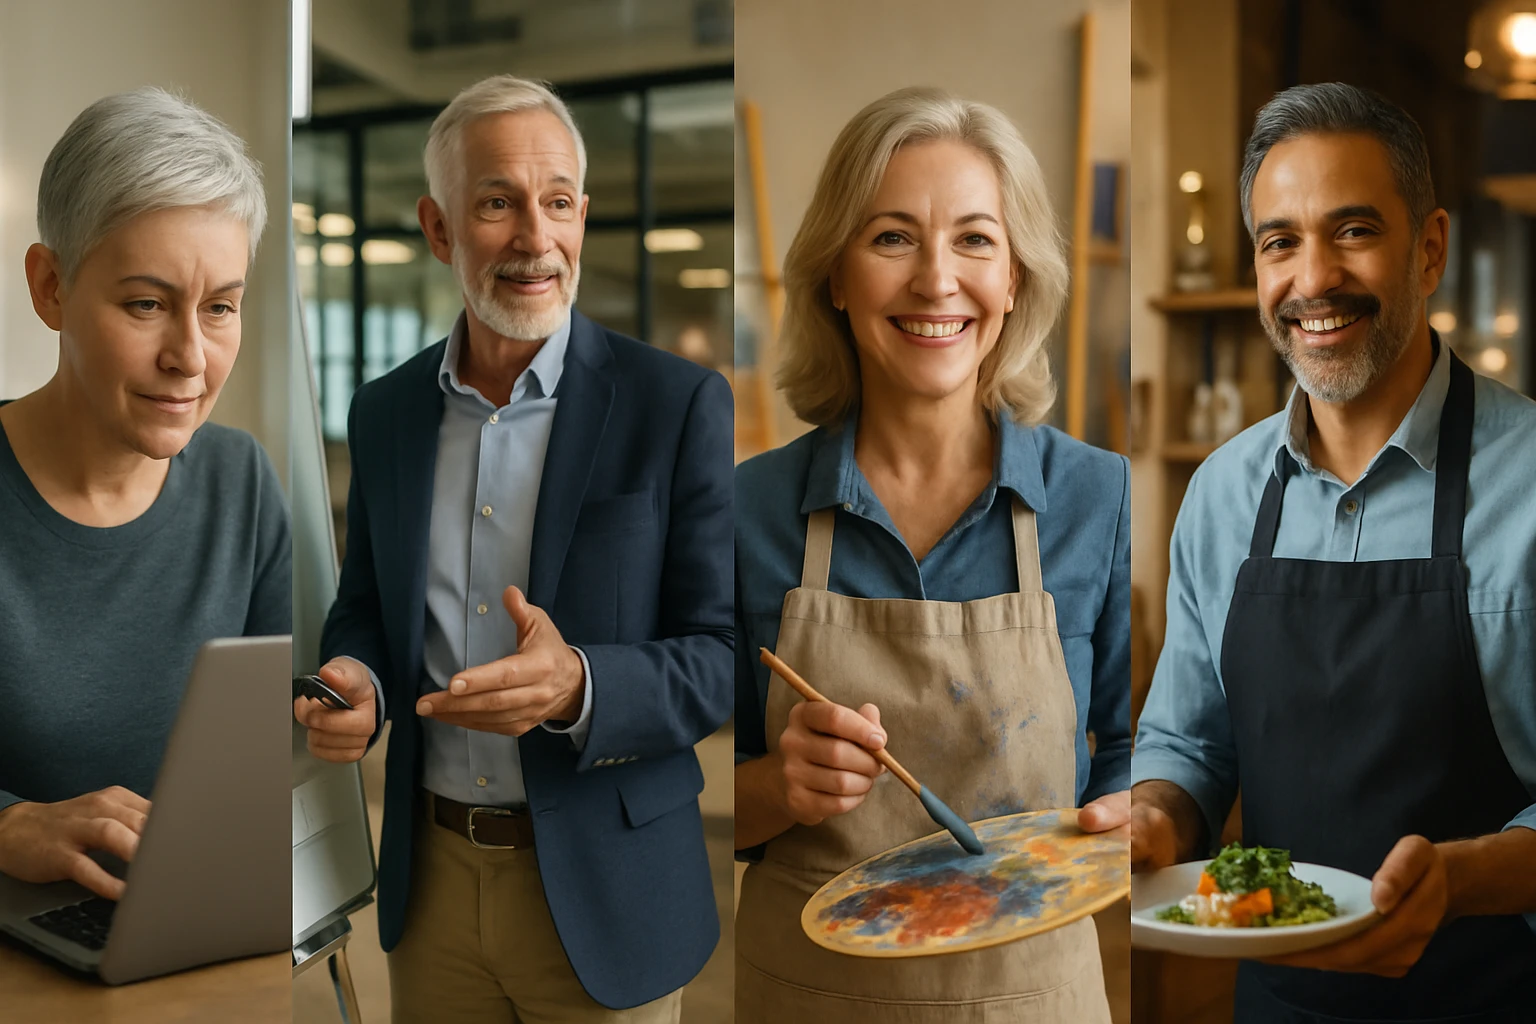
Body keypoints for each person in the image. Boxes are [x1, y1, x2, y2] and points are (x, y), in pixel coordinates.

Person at [295, 76, 734, 1023]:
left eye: (559, 201)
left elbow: (723, 655)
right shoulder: (385, 412)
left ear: (584, 214)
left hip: (608, 894)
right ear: (440, 229)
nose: (537, 237)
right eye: (498, 203)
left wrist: (582, 685)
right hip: (434, 887)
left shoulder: (677, 404)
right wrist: (357, 682)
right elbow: (368, 605)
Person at [1132, 82, 1536, 1023]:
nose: (1312, 279)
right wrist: (1155, 815)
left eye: (1353, 230)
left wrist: (1463, 877)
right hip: (1275, 1005)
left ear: (1429, 248)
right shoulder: (1222, 496)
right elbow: (1189, 742)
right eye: (1280, 241)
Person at [733, 87, 1132, 1022]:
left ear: (1017, 279)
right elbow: (675, 803)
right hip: (810, 998)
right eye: (892, 238)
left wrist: (1132, 816)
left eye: (975, 240)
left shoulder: (1098, 497)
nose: (936, 281)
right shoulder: (745, 510)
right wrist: (775, 788)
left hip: (1033, 997)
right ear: (836, 274)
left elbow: (1134, 750)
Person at [0, 88, 289, 902]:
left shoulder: (242, 482)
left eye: (221, 307)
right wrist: (7, 826)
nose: (191, 357)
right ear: (50, 286)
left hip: (186, 930)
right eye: (147, 304)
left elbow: (273, 750)